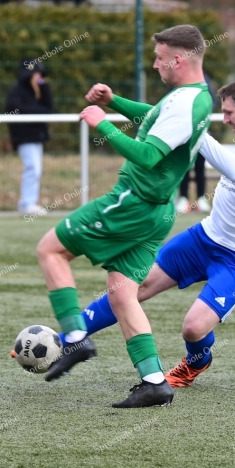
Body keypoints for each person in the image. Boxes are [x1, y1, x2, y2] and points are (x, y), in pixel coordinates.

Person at [72, 79, 235, 389]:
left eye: (227, 113)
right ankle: (71, 335)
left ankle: (196, 362)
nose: (223, 119)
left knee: (193, 329)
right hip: (206, 238)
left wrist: (196, 134)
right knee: (132, 285)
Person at [36, 25, 213, 408]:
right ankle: (154, 381)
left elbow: (149, 155)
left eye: (159, 57)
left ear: (178, 59)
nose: (155, 65)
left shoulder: (184, 102)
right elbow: (154, 116)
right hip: (158, 211)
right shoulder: (193, 97)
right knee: (121, 292)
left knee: (50, 250)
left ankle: (73, 337)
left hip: (133, 202)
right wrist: (116, 102)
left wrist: (102, 123)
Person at [5, 58, 53, 215]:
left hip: (36, 137)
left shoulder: (37, 91)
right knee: (33, 168)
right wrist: (40, 111)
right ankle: (27, 203)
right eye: (35, 74)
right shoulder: (17, 92)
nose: (38, 77)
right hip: (25, 138)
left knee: (36, 169)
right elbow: (16, 109)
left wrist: (43, 85)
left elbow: (49, 108)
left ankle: (29, 202)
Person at [175, 71, 217, 214]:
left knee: (200, 167)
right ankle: (183, 199)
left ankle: (201, 199)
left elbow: (212, 102)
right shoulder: (178, 78)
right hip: (183, 133)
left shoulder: (205, 79)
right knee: (183, 166)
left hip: (201, 132)